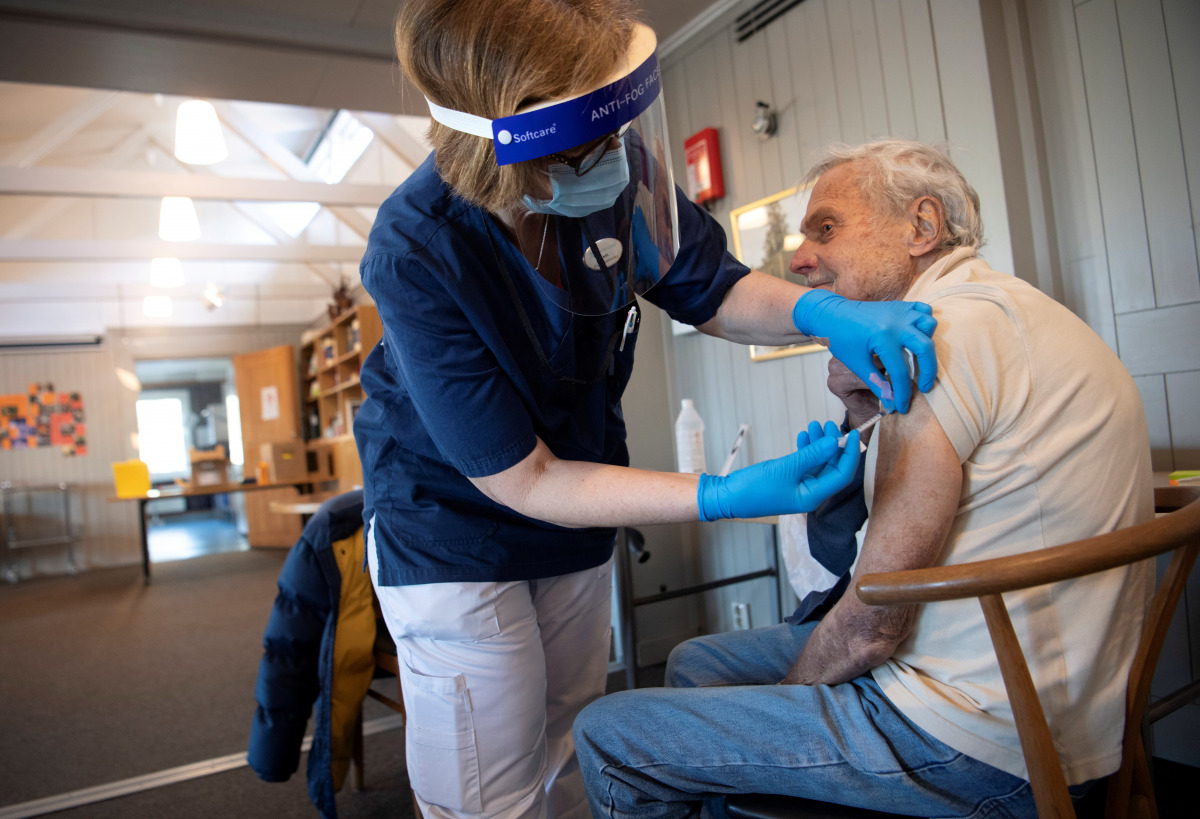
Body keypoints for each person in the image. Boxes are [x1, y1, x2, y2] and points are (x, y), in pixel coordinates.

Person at [353, 1, 940, 815]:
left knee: (565, 742)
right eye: (589, 140)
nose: (616, 157)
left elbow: (716, 289)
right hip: (458, 522)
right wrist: (722, 494)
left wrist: (815, 313)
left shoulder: (612, 166)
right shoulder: (418, 246)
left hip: (578, 504)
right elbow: (523, 479)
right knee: (490, 785)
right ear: (515, 143)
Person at [573, 139, 1155, 818]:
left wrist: (778, 709)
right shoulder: (1005, 313)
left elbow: (869, 625)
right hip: (1038, 705)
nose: (797, 259)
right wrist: (862, 414)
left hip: (975, 741)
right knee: (699, 664)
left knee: (608, 733)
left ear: (922, 227)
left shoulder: (941, 338)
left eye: (827, 228)